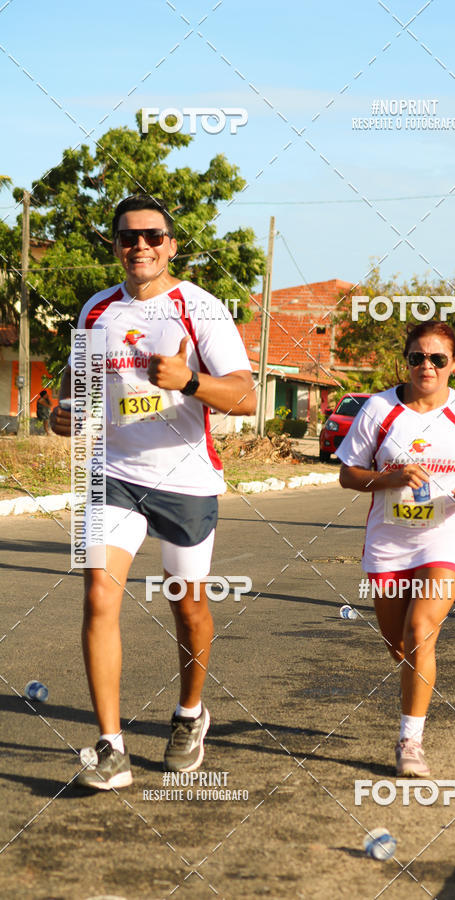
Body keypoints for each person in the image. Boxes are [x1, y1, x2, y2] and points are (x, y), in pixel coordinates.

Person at [51, 194, 256, 790]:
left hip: (186, 479)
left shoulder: (200, 309)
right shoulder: (95, 311)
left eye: (151, 236)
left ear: (171, 244)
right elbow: (79, 389)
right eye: (126, 237)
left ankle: (191, 714)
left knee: (187, 606)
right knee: (99, 595)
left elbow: (243, 395)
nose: (139, 246)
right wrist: (64, 414)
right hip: (112, 474)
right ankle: (110, 748)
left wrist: (190, 380)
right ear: (115, 246)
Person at [337, 322, 455, 777]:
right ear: (405, 362)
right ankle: (419, 676)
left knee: (420, 630)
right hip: (389, 542)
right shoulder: (379, 409)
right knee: (400, 645)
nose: (426, 366)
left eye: (437, 359)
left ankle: (410, 741)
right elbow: (348, 474)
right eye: (416, 358)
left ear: (454, 364)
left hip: (446, 536)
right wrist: (388, 478)